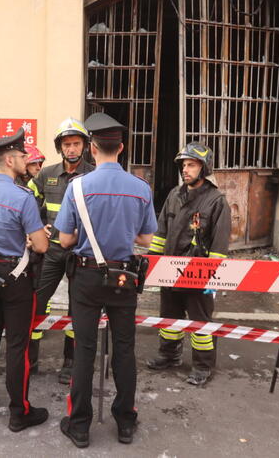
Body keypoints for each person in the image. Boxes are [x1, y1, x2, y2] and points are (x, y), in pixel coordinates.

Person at [54, 113, 157, 448]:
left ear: (92, 149)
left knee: (84, 350)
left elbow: (65, 240)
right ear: (122, 148)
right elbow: (145, 239)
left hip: (85, 277)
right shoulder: (141, 188)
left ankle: (80, 425)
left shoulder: (77, 187)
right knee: (124, 350)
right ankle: (125, 422)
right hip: (124, 277)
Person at [0, 128, 50, 432]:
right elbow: (41, 245)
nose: (26, 159)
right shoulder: (22, 196)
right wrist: (30, 240)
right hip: (16, 279)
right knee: (17, 346)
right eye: (22, 155)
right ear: (10, 159)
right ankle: (19, 412)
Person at [146, 142, 231, 387]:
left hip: (198, 275)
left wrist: (210, 279)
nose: (185, 169)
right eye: (184, 165)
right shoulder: (175, 195)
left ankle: (203, 366)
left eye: (191, 165)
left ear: (204, 168)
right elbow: (161, 231)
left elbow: (219, 245)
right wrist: (153, 262)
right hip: (169, 271)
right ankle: (169, 355)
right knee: (169, 319)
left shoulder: (216, 201)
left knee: (200, 324)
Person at [26, 117, 93, 383]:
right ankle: (29, 361)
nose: (72, 149)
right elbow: (26, 201)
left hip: (81, 253)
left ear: (85, 146)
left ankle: (70, 363)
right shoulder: (46, 174)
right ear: (60, 147)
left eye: (76, 143)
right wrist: (35, 228)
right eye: (67, 144)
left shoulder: (94, 174)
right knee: (36, 303)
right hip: (51, 252)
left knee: (77, 310)